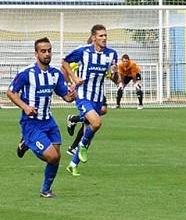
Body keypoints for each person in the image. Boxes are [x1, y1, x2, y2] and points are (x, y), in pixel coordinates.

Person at [6, 37, 76, 198]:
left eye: (49, 50)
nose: (47, 54)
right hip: (31, 123)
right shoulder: (27, 73)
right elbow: (11, 92)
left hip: (49, 121)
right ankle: (28, 143)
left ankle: (46, 190)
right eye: (43, 51)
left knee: (56, 157)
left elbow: (65, 97)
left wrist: (72, 95)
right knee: (52, 156)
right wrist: (25, 107)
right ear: (36, 54)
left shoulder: (55, 74)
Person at [61, 24, 118, 176]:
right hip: (83, 95)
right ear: (93, 38)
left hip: (98, 97)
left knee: (89, 130)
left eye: (105, 35)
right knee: (96, 123)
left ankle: (73, 164)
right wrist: (74, 78)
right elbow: (65, 62)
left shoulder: (112, 54)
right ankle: (83, 146)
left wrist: (115, 74)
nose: (104, 38)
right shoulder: (83, 51)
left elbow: (114, 77)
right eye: (101, 36)